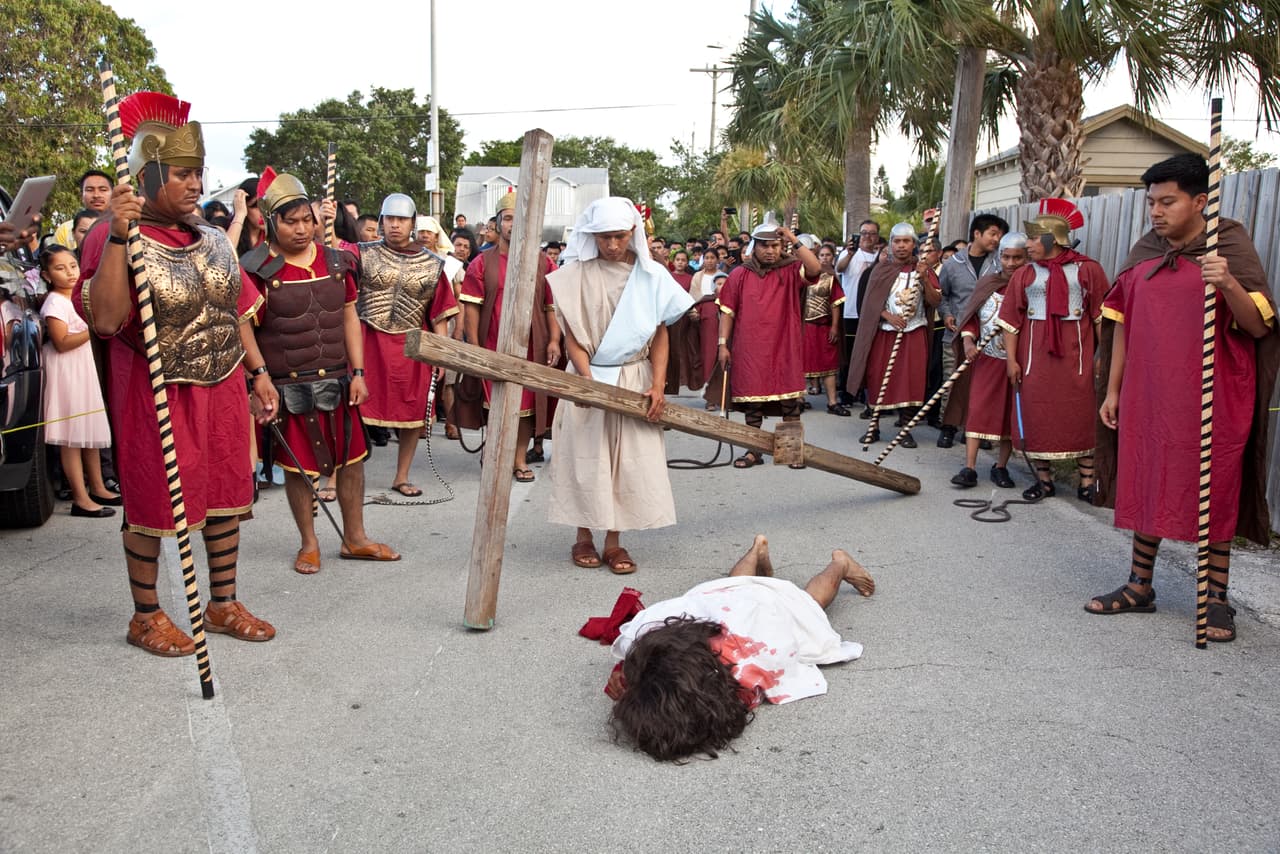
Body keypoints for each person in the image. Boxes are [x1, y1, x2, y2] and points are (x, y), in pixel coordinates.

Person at [75, 91, 277, 655]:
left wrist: (258, 374)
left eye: (198, 174)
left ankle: (222, 602)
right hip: (154, 390)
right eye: (183, 174)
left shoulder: (214, 238)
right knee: (153, 499)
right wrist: (118, 235)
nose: (195, 185)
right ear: (147, 175)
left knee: (224, 494)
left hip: (222, 385)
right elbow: (108, 317)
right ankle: (145, 615)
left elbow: (235, 308)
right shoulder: (112, 236)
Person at [1087, 153, 1278, 641]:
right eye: (1152, 201)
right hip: (1149, 395)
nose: (1155, 211)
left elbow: (1258, 326)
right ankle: (1139, 586)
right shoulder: (1145, 251)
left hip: (1215, 396)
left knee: (1213, 488)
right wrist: (1113, 391)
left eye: (1167, 201)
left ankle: (1215, 600)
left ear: (1199, 201)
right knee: (1149, 479)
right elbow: (1122, 324)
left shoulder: (1229, 244)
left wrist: (1228, 282)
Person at [240, 170, 399, 574]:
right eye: (290, 221)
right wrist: (258, 376)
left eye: (305, 220)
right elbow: (243, 325)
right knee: (297, 466)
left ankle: (355, 537)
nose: (300, 228)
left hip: (339, 377)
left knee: (353, 459)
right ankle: (308, 543)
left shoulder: (338, 262)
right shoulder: (256, 269)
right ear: (271, 221)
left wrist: (359, 371)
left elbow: (348, 315)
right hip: (287, 382)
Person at [606, 534, 873, 762]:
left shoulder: (750, 662)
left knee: (811, 602)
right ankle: (756, 549)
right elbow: (643, 656)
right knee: (734, 585)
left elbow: (774, 682)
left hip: (763, 611)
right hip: (719, 601)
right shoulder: (653, 637)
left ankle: (840, 563)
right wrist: (631, 677)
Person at [547, 197, 693, 574]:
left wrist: (658, 385)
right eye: (604, 237)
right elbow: (573, 337)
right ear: (591, 236)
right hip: (588, 374)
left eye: (619, 236)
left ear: (633, 233)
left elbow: (661, 335)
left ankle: (614, 541)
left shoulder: (652, 275)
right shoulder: (575, 274)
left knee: (626, 462)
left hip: (633, 377)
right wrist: (586, 379)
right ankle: (583, 534)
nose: (612, 245)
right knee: (586, 456)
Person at [997, 198, 1108, 501]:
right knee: (1036, 413)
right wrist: (1011, 360)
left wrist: (1103, 357)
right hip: (1034, 357)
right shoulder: (1025, 274)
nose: (1028, 244)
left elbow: (1100, 317)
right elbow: (1010, 322)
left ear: (1051, 239)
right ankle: (1043, 479)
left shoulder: (1089, 271)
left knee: (1081, 412)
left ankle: (1087, 481)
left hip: (1077, 356)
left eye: (1033, 238)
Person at [352, 192, 459, 496]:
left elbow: (438, 314)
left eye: (401, 219)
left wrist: (439, 356)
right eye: (390, 219)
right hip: (368, 341)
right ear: (382, 221)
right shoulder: (361, 254)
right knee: (351, 408)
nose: (395, 225)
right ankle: (338, 477)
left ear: (412, 223)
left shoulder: (434, 265)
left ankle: (401, 475)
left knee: (412, 413)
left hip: (412, 346)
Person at [460, 192, 561, 482]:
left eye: (519, 219)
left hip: (533, 345)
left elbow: (551, 306)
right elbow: (471, 310)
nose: (512, 225)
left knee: (527, 409)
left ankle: (518, 460)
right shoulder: (481, 263)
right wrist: (477, 350)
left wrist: (554, 340)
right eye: (507, 218)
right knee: (497, 407)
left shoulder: (544, 263)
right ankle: (493, 455)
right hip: (493, 344)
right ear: (498, 222)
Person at [717, 220, 823, 468]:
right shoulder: (739, 274)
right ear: (754, 247)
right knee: (753, 402)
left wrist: (793, 238)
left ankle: (790, 452)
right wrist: (723, 344)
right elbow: (728, 312)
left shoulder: (791, 270)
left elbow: (815, 267)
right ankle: (754, 451)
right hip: (749, 347)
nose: (770, 251)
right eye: (764, 246)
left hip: (784, 345)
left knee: (789, 400)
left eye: (775, 245)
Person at [38, 245, 119, 517]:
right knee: (72, 437)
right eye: (60, 268)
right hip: (66, 371)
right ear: (47, 275)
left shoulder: (77, 297)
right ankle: (80, 496)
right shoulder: (54, 303)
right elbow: (61, 342)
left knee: (87, 429)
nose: (69, 273)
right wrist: (92, 329)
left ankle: (97, 486)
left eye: (72, 265)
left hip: (81, 369)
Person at [846, 223, 942, 447]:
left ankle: (905, 429)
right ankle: (874, 426)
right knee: (879, 377)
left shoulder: (923, 270)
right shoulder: (880, 270)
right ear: (890, 244)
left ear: (913, 245)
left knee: (910, 380)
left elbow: (935, 301)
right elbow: (869, 304)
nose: (901, 246)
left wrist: (925, 278)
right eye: (897, 241)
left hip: (914, 332)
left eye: (906, 241)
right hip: (885, 333)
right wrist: (887, 316)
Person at [947, 232, 1029, 488]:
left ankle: (1001, 467)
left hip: (1016, 363)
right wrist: (969, 342)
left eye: (1017, 258)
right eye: (1006, 257)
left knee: (1008, 414)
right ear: (999, 257)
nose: (1011, 263)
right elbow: (971, 318)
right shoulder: (988, 283)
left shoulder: (1031, 288)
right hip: (988, 359)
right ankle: (969, 467)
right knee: (979, 409)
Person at [936, 213, 1009, 447]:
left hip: (989, 335)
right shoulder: (951, 264)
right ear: (977, 234)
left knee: (982, 386)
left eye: (1000, 235)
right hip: (956, 333)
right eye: (993, 233)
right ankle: (947, 427)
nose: (997, 240)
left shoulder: (1000, 263)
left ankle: (979, 431)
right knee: (952, 382)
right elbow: (942, 296)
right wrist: (946, 314)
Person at [835, 220, 881, 406]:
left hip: (873, 315)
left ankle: (867, 394)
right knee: (850, 356)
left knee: (871, 356)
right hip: (851, 313)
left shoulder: (881, 256)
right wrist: (849, 253)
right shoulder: (849, 254)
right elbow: (839, 268)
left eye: (871, 233)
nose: (867, 237)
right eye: (864, 233)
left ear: (877, 236)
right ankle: (847, 394)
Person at [802, 242, 849, 415]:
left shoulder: (829, 277)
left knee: (829, 363)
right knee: (801, 363)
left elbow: (835, 303)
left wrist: (835, 327)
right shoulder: (798, 276)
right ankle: (799, 399)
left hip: (824, 326)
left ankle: (832, 402)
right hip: (803, 326)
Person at [52, 170, 112, 249]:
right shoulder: (65, 230)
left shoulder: (124, 225)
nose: (96, 195)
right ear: (81, 195)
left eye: (103, 190)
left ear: (113, 194)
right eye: (90, 190)